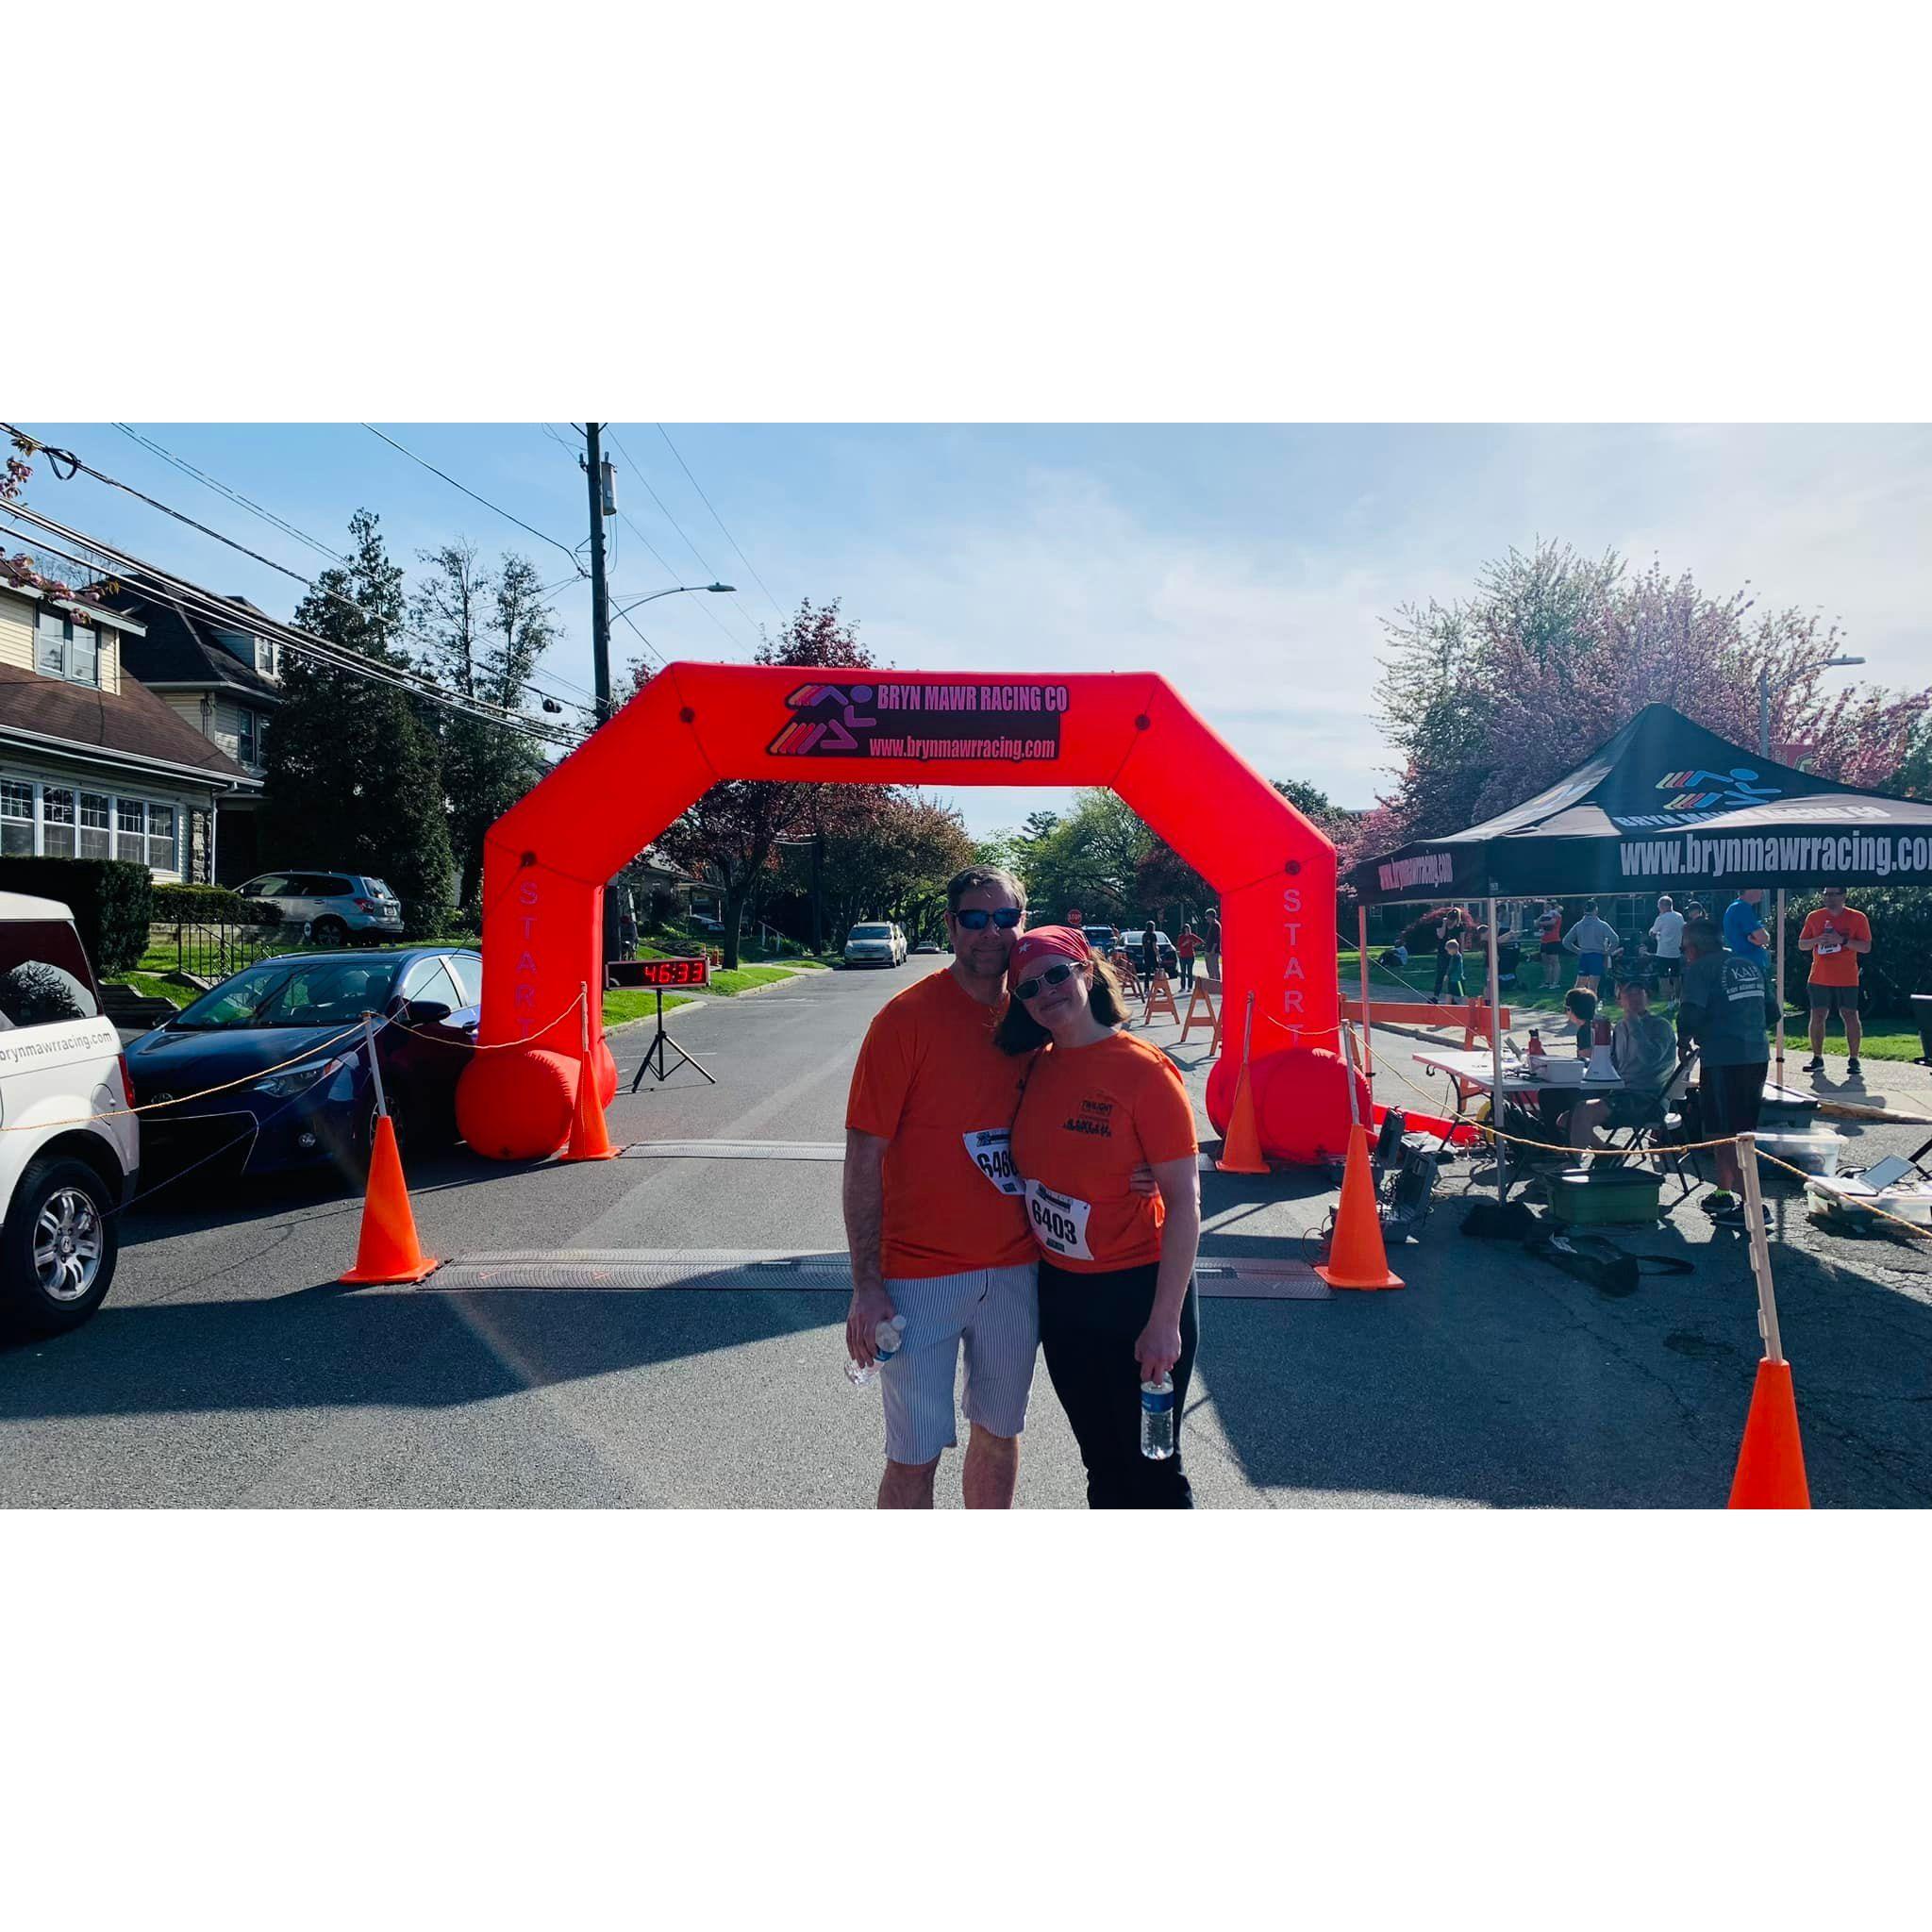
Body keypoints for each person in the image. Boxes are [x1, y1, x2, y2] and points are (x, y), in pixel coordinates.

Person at [842, 865, 1040, 1508]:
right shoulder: (906, 1020)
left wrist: (1144, 1161)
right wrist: (867, 1285)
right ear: (952, 925)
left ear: (1022, 922)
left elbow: (1101, 1096)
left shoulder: (1037, 1014)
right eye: (976, 919)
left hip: (1015, 1270)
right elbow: (863, 1156)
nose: (992, 933)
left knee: (998, 1434)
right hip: (919, 1278)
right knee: (912, 1458)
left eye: (1006, 917)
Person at [996, 926, 1202, 1508]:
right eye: (1029, 987)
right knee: (1101, 1465)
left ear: (1087, 971)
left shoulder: (1144, 1070)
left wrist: (1165, 1322)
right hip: (1063, 1298)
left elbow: (1185, 1204)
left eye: (1058, 974)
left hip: (1139, 1293)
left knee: (1154, 1467)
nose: (1046, 992)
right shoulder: (1034, 1066)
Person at [1676, 919, 1770, 1228]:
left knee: (1721, 1131)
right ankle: (1724, 1192)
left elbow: (1690, 1012)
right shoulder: (1747, 963)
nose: (1683, 952)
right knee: (1742, 1126)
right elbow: (1773, 1011)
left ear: (1695, 947)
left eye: (1684, 946)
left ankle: (1752, 1204)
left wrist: (1683, 1040)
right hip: (1756, 1054)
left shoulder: (1701, 969)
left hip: (1723, 1057)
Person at [1566, 980, 1681, 1157]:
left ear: (1647, 998)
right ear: (1620, 1001)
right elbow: (1613, 1064)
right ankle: (1607, 1152)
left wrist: (1633, 1021)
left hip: (1648, 1100)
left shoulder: (1660, 1026)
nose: (1633, 997)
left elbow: (1649, 1060)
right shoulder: (1620, 1027)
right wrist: (1583, 1066)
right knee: (1565, 1119)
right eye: (1628, 994)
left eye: (1638, 992)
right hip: (1622, 1094)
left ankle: (1572, 1165)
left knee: (1583, 1111)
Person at [1799, 886, 1872, 1078]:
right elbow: (1802, 944)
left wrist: (1842, 940)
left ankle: (1854, 1059)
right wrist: (1817, 939)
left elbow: (1865, 947)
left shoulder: (1858, 918)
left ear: (1844, 896)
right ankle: (1817, 1058)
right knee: (1818, 1015)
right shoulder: (1814, 917)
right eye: (1826, 894)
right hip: (1819, 976)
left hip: (1847, 976)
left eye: (1833, 894)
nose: (1829, 898)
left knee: (1849, 1015)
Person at [1562, 902, 1620, 994]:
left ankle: (1574, 1004)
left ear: (1584, 910)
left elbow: (1566, 941)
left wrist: (1577, 951)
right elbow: (1615, 939)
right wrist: (1608, 951)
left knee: (1579, 985)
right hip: (1597, 956)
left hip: (1584, 956)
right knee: (1593, 987)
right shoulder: (1602, 925)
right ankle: (1591, 1006)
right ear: (1596, 909)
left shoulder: (1579, 925)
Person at [1647, 894, 1685, 1001]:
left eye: (1659, 906)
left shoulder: (1661, 918)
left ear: (1663, 906)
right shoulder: (1679, 917)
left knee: (1663, 977)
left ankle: (1669, 999)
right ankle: (1678, 999)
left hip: (1663, 952)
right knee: (1676, 976)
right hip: (1676, 952)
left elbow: (1653, 933)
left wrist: (1654, 934)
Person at [1429, 904, 1467, 1003]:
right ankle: (1436, 996)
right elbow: (1441, 936)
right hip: (1443, 951)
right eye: (1449, 920)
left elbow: (1462, 940)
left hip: (1454, 953)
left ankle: (1452, 997)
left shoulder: (1460, 926)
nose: (1451, 922)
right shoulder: (1441, 923)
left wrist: (1461, 953)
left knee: (1453, 974)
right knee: (1440, 974)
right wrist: (1444, 925)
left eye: (1453, 921)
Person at [1537, 900, 1565, 990]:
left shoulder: (1555, 914)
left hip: (1553, 940)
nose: (1546, 907)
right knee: (1545, 963)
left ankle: (1555, 982)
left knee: (1554, 962)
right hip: (1544, 941)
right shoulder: (1544, 915)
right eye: (1545, 905)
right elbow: (1536, 923)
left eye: (1548, 905)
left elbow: (1551, 922)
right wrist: (1541, 917)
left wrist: (1540, 923)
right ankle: (1547, 982)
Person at [1174, 921, 1201, 991]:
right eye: (1186, 930)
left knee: (1189, 972)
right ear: (1184, 930)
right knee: (1183, 972)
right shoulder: (1181, 937)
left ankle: (1190, 987)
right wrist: (1186, 942)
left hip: (1190, 956)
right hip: (1183, 956)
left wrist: (1194, 945)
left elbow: (1200, 941)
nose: (1187, 931)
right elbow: (1179, 946)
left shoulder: (1192, 936)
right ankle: (1183, 987)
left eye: (1188, 929)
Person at [1138, 921, 1159, 992]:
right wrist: (1158, 956)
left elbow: (1143, 946)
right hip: (1152, 955)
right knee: (1157, 971)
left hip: (1146, 955)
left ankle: (1146, 988)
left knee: (1147, 973)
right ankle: (1157, 987)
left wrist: (1144, 956)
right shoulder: (1153, 935)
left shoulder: (1144, 935)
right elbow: (1154, 946)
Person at [1441, 937, 1465, 1002]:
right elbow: (1450, 967)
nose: (1448, 952)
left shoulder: (1457, 957)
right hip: (1453, 979)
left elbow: (1453, 967)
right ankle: (1448, 1005)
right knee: (1449, 993)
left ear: (1453, 949)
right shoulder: (1454, 956)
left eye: (1448, 950)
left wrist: (1447, 975)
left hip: (1458, 979)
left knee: (1462, 994)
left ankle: (1465, 1005)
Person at [1202, 908, 1222, 981]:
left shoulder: (1216, 925)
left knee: (1214, 969)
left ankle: (1217, 985)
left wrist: (1213, 950)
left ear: (1211, 916)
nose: (1206, 918)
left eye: (1207, 916)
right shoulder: (1211, 925)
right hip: (1208, 950)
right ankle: (1212, 984)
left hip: (1212, 951)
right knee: (1210, 970)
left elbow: (1216, 939)